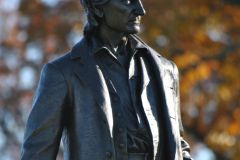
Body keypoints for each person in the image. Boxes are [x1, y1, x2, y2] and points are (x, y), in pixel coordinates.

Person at [21, 0, 193, 159]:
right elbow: (37, 153)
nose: (141, 10)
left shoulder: (165, 70)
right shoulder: (63, 73)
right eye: (127, 1)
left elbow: (178, 146)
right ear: (98, 6)